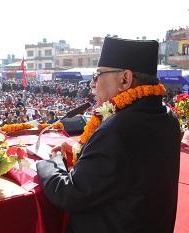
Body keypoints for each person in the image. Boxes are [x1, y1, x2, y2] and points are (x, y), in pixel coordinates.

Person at [36, 37, 181, 233]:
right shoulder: (168, 117)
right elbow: (123, 173)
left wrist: (52, 162)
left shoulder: (115, 130)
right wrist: (84, 159)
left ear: (125, 79)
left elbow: (69, 195)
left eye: (97, 75)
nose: (92, 84)